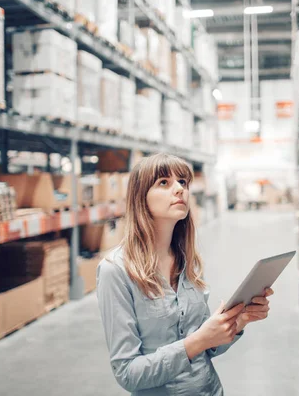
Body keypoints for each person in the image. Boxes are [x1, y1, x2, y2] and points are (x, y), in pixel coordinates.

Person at [96, 153, 274, 395]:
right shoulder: (115, 271)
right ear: (141, 197)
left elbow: (208, 348)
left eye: (183, 182)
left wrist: (237, 321)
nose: (179, 189)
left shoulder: (186, 260)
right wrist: (198, 341)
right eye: (164, 183)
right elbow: (128, 373)